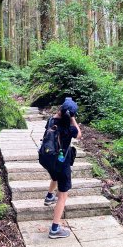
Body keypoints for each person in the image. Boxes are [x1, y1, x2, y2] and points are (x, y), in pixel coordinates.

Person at [44, 97, 82, 239]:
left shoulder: (51, 121)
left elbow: (57, 117)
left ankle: (49, 196)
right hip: (62, 162)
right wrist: (73, 119)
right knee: (62, 195)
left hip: (49, 159)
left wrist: (61, 112)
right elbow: (78, 134)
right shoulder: (69, 128)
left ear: (60, 109)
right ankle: (55, 228)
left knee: (55, 176)